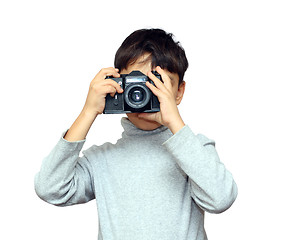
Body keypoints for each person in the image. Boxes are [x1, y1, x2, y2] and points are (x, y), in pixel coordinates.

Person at [34, 28, 238, 240]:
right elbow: (50, 188)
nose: (143, 94)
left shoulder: (194, 150)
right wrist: (88, 112)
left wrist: (174, 122)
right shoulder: (101, 160)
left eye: (158, 84)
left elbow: (221, 199)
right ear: (117, 85)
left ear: (178, 92)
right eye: (137, 83)